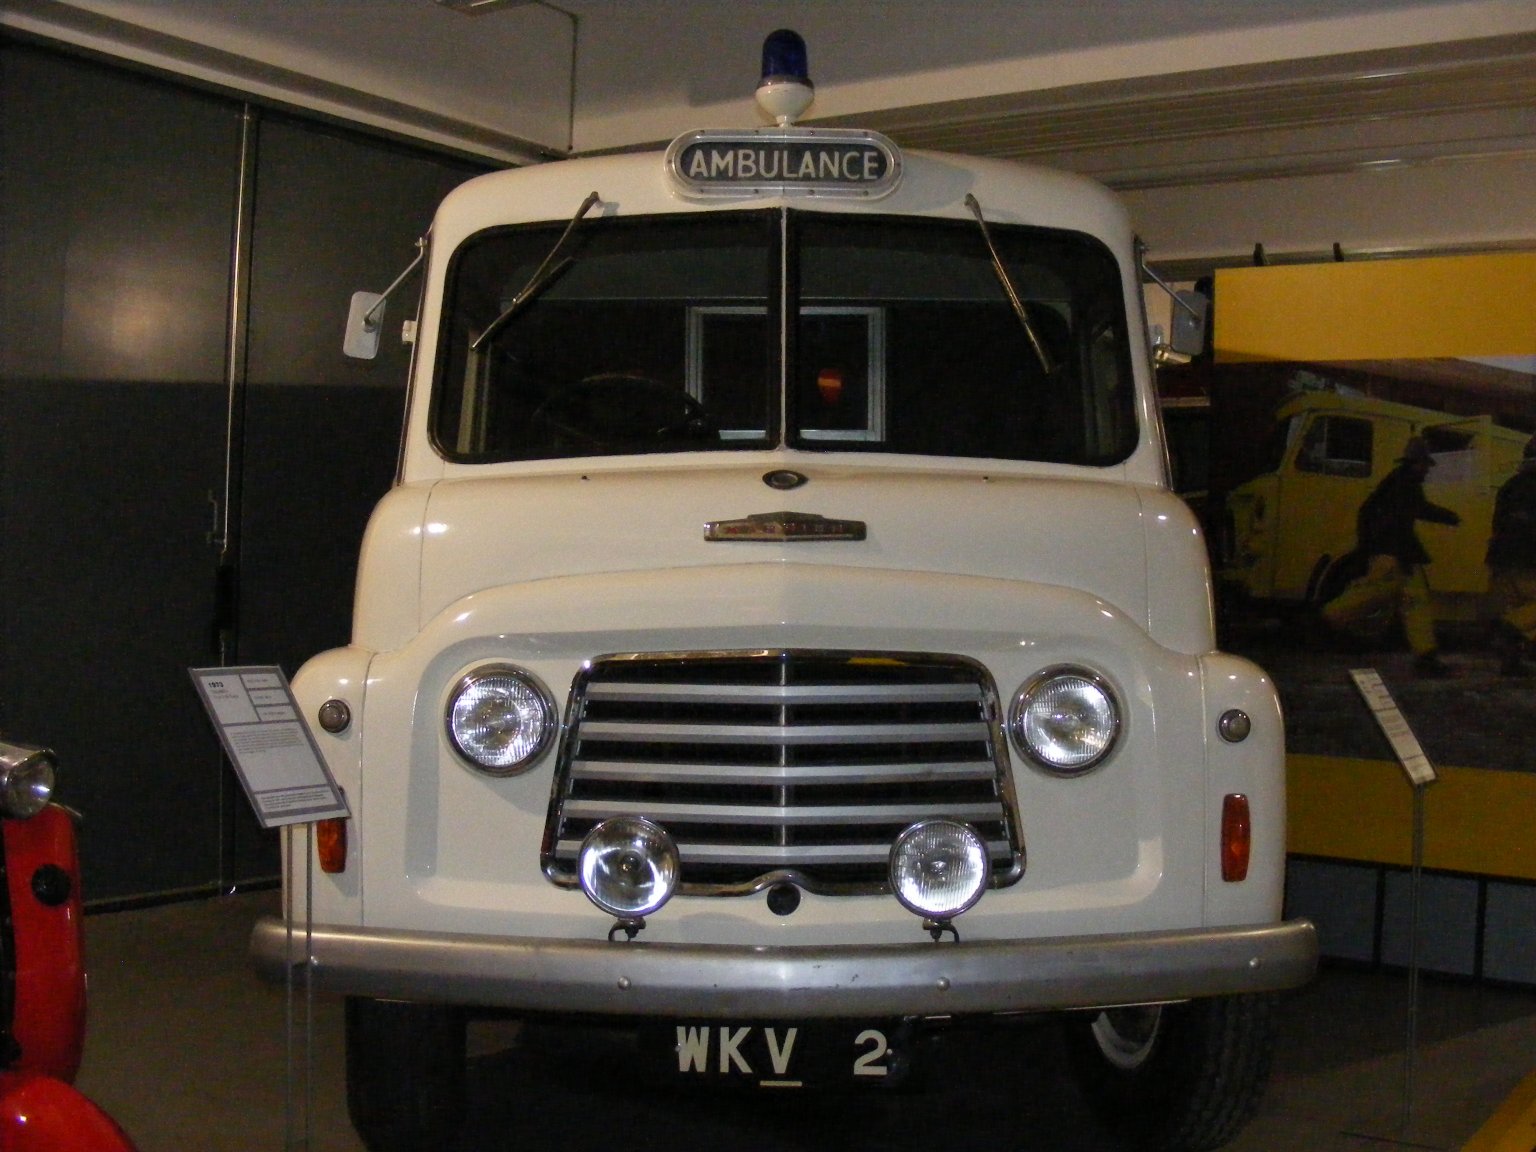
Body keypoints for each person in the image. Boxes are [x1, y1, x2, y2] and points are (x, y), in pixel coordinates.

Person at [1321, 436, 1461, 677]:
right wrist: (1449, 516)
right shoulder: (1405, 483)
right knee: (1380, 596)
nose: (1427, 471)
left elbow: (1368, 512)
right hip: (1395, 556)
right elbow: (1413, 513)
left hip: (1390, 554)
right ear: (1417, 463)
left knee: (1404, 600)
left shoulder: (1395, 481)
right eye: (1426, 466)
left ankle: (1426, 657)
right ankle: (1324, 620)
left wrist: (1368, 547)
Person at [1486, 435, 1536, 677]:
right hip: (1529, 558)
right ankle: (1509, 629)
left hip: (1503, 558)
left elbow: (1498, 522)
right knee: (1526, 613)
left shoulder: (1510, 485)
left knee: (1518, 606)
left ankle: (1512, 662)